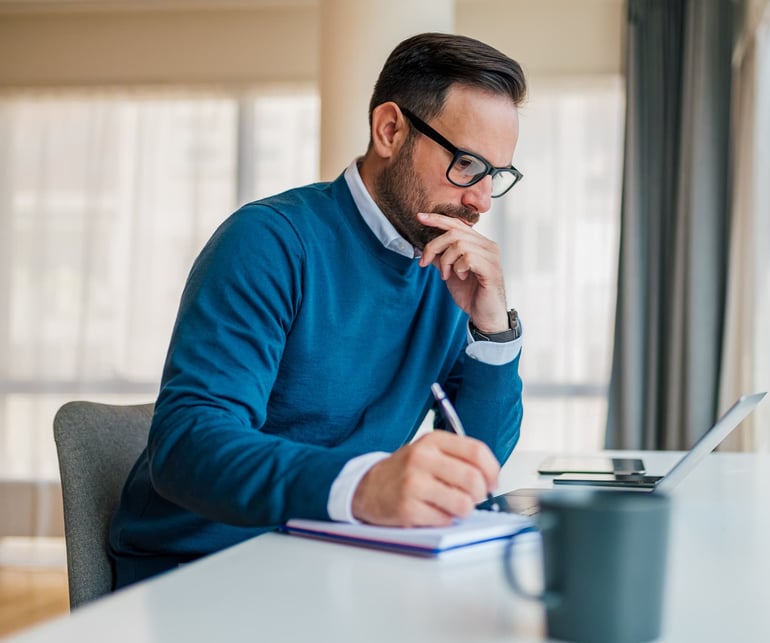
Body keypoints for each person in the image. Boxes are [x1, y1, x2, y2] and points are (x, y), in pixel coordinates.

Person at [108, 32, 527, 588]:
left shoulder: (444, 268)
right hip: (201, 570)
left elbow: (473, 465)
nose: (480, 199)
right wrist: (365, 485)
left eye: (495, 175)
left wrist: (491, 329)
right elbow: (187, 445)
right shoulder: (270, 241)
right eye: (468, 164)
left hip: (331, 562)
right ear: (390, 130)